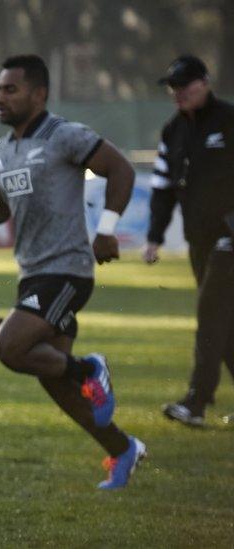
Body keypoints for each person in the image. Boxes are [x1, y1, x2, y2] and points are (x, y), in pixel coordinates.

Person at [0, 54, 145, 489]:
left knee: (9, 346)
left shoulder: (64, 136)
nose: (0, 97)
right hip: (33, 273)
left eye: (11, 89)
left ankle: (89, 369)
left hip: (67, 269)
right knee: (52, 379)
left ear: (39, 93)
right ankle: (123, 449)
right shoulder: (2, 150)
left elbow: (119, 168)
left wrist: (106, 230)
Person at [145, 55, 234, 428]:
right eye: (172, 87)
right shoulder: (173, 131)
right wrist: (154, 237)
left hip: (230, 237)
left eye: (184, 85)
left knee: (210, 315)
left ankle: (196, 402)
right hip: (198, 239)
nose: (177, 93)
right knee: (225, 324)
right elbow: (163, 188)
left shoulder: (229, 120)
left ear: (205, 82)